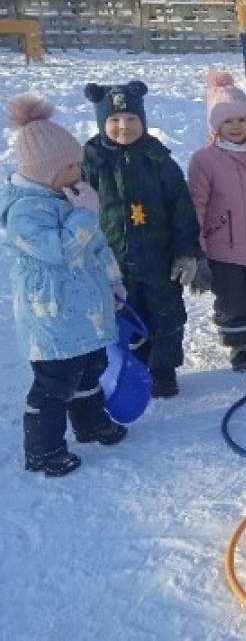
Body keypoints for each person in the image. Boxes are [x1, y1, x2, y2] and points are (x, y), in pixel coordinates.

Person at [1, 96, 128, 476]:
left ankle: (90, 424)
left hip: (84, 311)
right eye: (71, 166)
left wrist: (114, 282)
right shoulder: (25, 211)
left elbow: (98, 246)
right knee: (55, 385)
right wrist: (85, 215)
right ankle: (44, 450)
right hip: (52, 317)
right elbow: (62, 253)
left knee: (91, 369)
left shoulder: (67, 196)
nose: (79, 171)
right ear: (45, 171)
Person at [83, 80, 208, 398]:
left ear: (142, 121)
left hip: (159, 257)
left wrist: (186, 250)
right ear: (102, 124)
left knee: (166, 313)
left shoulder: (159, 161)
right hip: (113, 261)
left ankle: (164, 370)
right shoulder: (91, 164)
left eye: (130, 119)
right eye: (114, 121)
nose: (123, 127)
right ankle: (134, 368)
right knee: (126, 315)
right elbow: (77, 211)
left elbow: (181, 209)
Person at [188, 71, 246, 372]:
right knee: (231, 301)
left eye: (241, 120)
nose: (235, 127)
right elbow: (196, 205)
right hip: (223, 248)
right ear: (216, 125)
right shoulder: (204, 160)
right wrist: (197, 247)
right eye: (227, 121)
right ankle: (240, 346)